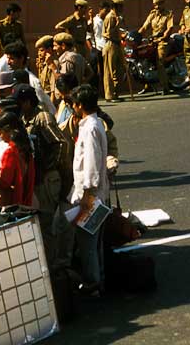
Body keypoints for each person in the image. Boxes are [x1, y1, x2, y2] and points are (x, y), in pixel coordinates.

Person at [13, 83, 66, 267]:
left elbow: (61, 143)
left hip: (46, 180)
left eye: (19, 102)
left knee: (46, 226)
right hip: (35, 180)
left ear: (27, 102)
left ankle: (52, 267)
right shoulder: (23, 119)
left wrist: (49, 166)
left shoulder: (42, 118)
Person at [69, 84, 108, 296]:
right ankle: (97, 281)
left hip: (90, 196)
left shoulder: (91, 127)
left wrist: (87, 195)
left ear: (80, 105)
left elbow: (92, 163)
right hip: (92, 193)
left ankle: (93, 284)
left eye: (74, 104)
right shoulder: (91, 124)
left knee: (88, 244)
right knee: (94, 242)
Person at [0, 112, 35, 206]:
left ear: (9, 131)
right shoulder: (27, 150)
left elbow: (5, 181)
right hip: (25, 200)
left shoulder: (10, 153)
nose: (0, 136)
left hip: (11, 201)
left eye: (0, 133)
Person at [138, 0, 174, 95]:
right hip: (152, 41)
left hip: (163, 42)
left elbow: (169, 29)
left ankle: (165, 87)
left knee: (160, 62)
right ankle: (148, 86)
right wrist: (137, 36)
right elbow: (145, 26)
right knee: (145, 61)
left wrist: (163, 37)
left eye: (158, 5)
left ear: (163, 4)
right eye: (155, 5)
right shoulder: (152, 14)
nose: (156, 7)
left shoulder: (168, 14)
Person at [102, 0, 126, 102]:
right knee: (110, 71)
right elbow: (107, 34)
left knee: (119, 70)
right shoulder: (110, 17)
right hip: (111, 44)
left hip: (117, 44)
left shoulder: (118, 16)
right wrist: (117, 25)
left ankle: (116, 93)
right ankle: (110, 95)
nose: (122, 8)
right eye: (120, 6)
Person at [178, 0, 190, 95]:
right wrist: (182, 28)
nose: (188, 1)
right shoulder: (186, 11)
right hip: (187, 40)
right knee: (188, 63)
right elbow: (182, 23)